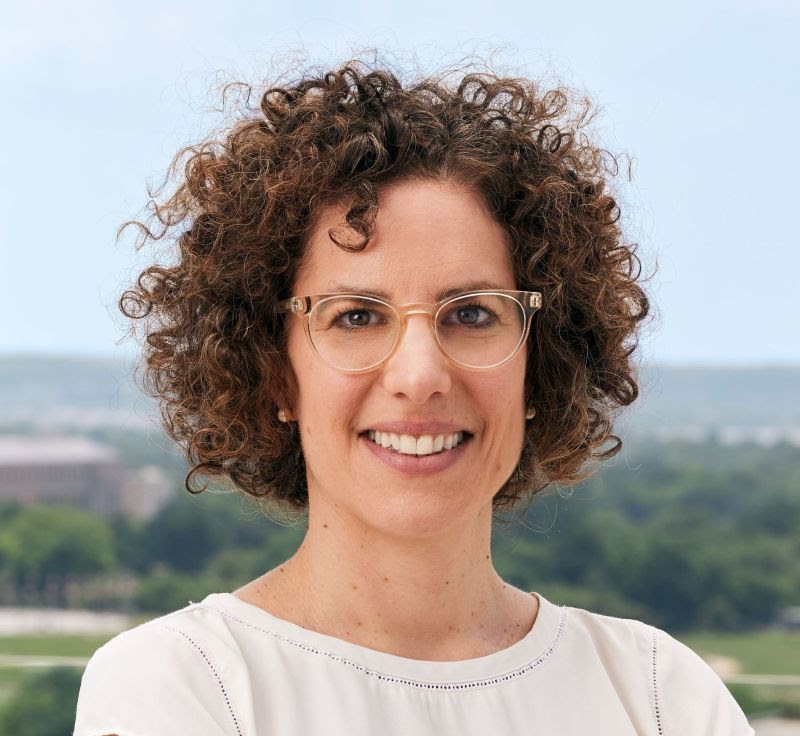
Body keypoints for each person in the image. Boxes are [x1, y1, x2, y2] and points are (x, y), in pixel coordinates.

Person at [73, 59, 754, 735]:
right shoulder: (183, 684)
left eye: (472, 313)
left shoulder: (661, 695)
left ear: (540, 364)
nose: (420, 374)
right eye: (357, 316)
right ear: (275, 370)